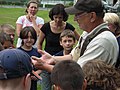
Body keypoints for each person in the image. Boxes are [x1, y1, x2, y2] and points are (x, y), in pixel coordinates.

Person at [31, 0, 118, 69]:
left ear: (92, 16)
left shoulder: (102, 41)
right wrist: (53, 59)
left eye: (78, 15)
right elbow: (73, 57)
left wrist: (45, 66)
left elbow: (78, 73)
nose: (75, 19)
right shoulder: (88, 33)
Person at [17, 26, 41, 90]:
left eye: (31, 37)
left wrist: (37, 74)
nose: (29, 40)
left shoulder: (37, 52)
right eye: (26, 37)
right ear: (22, 38)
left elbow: (42, 66)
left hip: (33, 82)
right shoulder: (17, 52)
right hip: (20, 83)